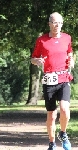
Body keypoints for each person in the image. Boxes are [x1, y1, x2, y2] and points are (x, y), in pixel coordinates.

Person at [31, 12, 74, 150]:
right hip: (49, 80)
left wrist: (71, 59)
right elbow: (33, 58)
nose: (58, 25)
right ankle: (52, 143)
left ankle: (63, 133)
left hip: (63, 79)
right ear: (49, 23)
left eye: (60, 23)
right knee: (51, 114)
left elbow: (69, 52)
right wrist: (37, 61)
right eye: (55, 23)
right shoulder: (41, 40)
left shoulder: (67, 38)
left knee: (65, 109)